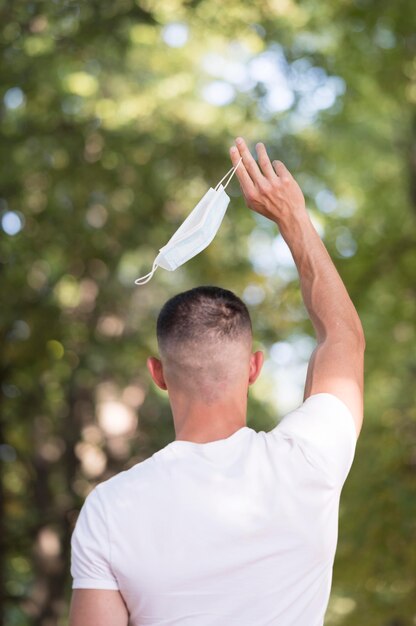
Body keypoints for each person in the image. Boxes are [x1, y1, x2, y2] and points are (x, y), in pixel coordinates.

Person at [69, 137, 365, 626]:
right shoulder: (307, 462)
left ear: (158, 374)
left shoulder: (109, 509)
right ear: (254, 367)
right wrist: (291, 217)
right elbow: (344, 340)